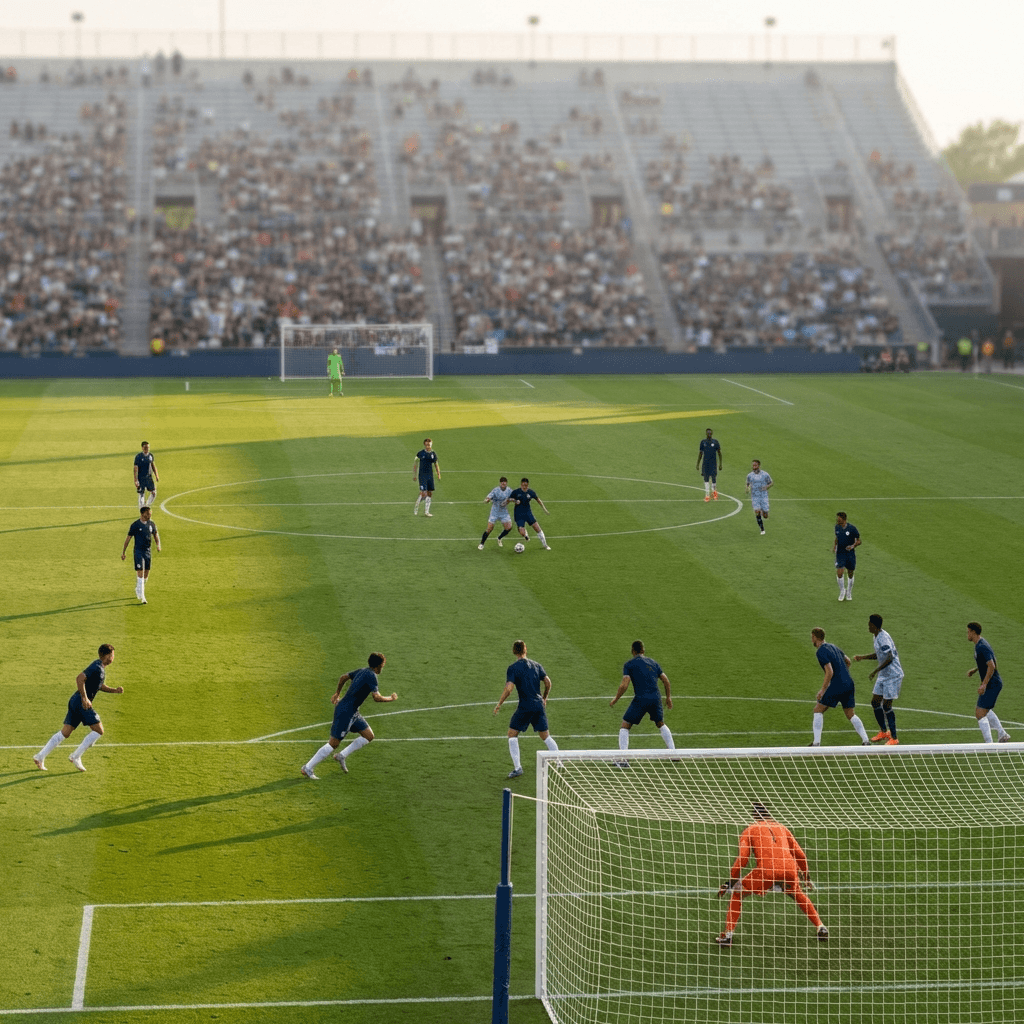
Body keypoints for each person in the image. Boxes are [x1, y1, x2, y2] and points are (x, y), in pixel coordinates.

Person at [715, 801, 827, 947]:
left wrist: (730, 882)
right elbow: (800, 855)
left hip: (767, 872)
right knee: (797, 894)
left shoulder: (750, 830)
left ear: (754, 815)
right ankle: (821, 926)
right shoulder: (782, 828)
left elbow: (743, 859)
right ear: (768, 814)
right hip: (789, 870)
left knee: (737, 892)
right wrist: (806, 877)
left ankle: (728, 936)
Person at [300, 653, 397, 779]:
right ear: (378, 665)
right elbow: (376, 698)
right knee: (333, 744)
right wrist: (391, 698)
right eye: (382, 666)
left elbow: (343, 677)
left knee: (368, 736)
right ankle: (307, 768)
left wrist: (337, 693)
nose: (381, 669)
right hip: (346, 712)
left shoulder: (362, 671)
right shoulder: (371, 675)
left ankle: (341, 755)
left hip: (353, 712)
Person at [33, 644, 123, 772]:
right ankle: (76, 756)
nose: (113, 658)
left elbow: (99, 685)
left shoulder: (99, 667)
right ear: (108, 656)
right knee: (98, 730)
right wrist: (85, 698)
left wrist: (114, 690)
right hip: (80, 702)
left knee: (65, 732)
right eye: (112, 655)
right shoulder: (96, 667)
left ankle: (40, 756)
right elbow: (80, 678)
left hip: (75, 701)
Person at [493, 639, 559, 779]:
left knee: (512, 734)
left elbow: (509, 689)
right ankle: (559, 763)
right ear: (525, 650)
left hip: (525, 706)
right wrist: (544, 698)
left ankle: (518, 768)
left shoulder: (513, 668)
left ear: (514, 651)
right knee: (545, 736)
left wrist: (499, 703)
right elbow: (548, 682)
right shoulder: (536, 665)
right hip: (539, 705)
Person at [610, 640, 675, 757]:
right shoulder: (654, 663)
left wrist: (616, 699)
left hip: (641, 699)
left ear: (632, 651)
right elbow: (666, 680)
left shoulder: (629, 664)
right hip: (656, 698)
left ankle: (623, 759)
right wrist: (668, 697)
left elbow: (624, 684)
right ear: (643, 650)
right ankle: (674, 754)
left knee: (625, 725)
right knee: (660, 723)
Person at [809, 627, 871, 746]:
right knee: (850, 713)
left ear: (815, 638)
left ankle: (816, 743)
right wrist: (843, 674)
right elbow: (848, 661)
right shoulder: (833, 647)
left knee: (818, 709)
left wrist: (823, 690)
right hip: (849, 682)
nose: (811, 640)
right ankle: (866, 741)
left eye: (812, 637)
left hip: (838, 684)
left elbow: (830, 672)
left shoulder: (821, 651)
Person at [853, 614, 904, 745]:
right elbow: (879, 654)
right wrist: (862, 657)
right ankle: (883, 731)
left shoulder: (884, 638)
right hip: (884, 674)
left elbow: (890, 657)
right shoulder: (875, 636)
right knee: (875, 702)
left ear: (874, 626)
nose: (868, 626)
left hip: (893, 675)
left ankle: (894, 737)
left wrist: (875, 671)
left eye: (869, 624)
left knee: (887, 705)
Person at [966, 622, 1011, 743]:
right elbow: (990, 661)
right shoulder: (980, 643)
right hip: (993, 683)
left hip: (992, 684)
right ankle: (1002, 734)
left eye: (968, 632)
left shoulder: (982, 646)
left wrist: (984, 684)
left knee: (980, 713)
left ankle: (989, 745)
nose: (967, 634)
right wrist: (975, 670)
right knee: (985, 710)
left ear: (973, 632)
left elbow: (992, 666)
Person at [121, 506, 161, 604]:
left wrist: (158, 545)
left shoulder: (151, 524)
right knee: (140, 572)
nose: (149, 515)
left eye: (150, 514)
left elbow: (155, 534)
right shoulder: (135, 525)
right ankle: (143, 597)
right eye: (148, 514)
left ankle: (138, 588)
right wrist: (123, 552)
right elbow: (128, 539)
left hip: (147, 551)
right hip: (138, 551)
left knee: (146, 574)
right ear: (142, 514)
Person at [509, 477, 551, 550]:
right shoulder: (516, 492)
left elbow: (538, 500)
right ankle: (525, 534)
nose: (525, 487)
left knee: (537, 528)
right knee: (522, 532)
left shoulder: (531, 492)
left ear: (528, 485)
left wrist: (544, 509)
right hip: (519, 514)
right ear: (521, 484)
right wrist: (515, 501)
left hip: (528, 513)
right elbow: (509, 499)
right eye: (523, 485)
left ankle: (545, 545)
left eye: (526, 485)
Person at [478, 476, 515, 549]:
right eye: (502, 482)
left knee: (509, 527)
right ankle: (482, 543)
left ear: (506, 483)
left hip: (504, 512)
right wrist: (487, 500)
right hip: (494, 512)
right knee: (489, 529)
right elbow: (489, 497)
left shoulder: (509, 490)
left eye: (504, 482)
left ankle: (499, 538)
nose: (503, 483)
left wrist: (513, 500)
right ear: (500, 483)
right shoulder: (495, 490)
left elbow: (514, 497)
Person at [833, 511, 861, 601]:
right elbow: (837, 537)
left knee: (850, 572)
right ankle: (842, 591)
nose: (837, 520)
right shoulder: (837, 527)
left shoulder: (852, 529)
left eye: (839, 519)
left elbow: (859, 541)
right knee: (839, 573)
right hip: (840, 553)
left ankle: (849, 591)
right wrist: (835, 546)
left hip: (850, 554)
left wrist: (852, 546)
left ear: (844, 519)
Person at [413, 438, 441, 516]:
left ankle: (426, 512)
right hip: (422, 475)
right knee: (422, 493)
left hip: (430, 476)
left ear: (431, 444)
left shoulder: (433, 454)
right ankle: (416, 507)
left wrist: (438, 474)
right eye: (427, 444)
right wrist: (414, 474)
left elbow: (436, 464)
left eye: (429, 444)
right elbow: (415, 463)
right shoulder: (420, 453)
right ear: (425, 444)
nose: (428, 446)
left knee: (429, 493)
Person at [744, 460, 773, 535]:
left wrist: (766, 487)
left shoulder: (765, 474)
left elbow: (771, 483)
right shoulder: (750, 475)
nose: (754, 467)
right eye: (753, 465)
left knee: (765, 515)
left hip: (764, 496)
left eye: (755, 466)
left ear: (759, 466)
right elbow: (747, 483)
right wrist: (747, 489)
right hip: (755, 497)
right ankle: (762, 529)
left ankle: (764, 513)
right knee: (757, 512)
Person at [696, 427, 722, 502]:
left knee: (714, 479)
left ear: (712, 433)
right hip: (705, 463)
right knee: (706, 478)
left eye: (710, 433)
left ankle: (714, 493)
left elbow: (719, 453)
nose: (709, 434)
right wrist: (698, 464)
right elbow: (700, 453)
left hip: (713, 463)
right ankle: (707, 495)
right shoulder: (703, 442)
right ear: (706, 433)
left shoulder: (715, 442)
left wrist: (720, 464)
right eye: (708, 433)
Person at [133, 441, 159, 510]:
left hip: (149, 478)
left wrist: (156, 475)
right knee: (141, 494)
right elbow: (135, 469)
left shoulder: (150, 456)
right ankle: (141, 510)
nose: (147, 449)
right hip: (141, 478)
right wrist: (135, 480)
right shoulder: (138, 457)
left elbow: (153, 466)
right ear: (142, 448)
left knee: (153, 493)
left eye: (148, 447)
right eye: (145, 447)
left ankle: (147, 505)